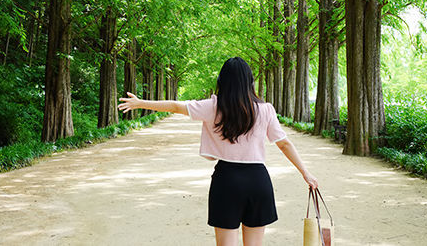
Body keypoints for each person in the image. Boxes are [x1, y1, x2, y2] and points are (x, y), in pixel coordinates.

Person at [118, 56, 319, 246]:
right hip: (258, 182)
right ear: (250, 81)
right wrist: (306, 173)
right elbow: (284, 143)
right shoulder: (265, 109)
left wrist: (141, 103)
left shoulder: (212, 107)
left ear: (222, 81)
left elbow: (175, 107)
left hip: (226, 181)